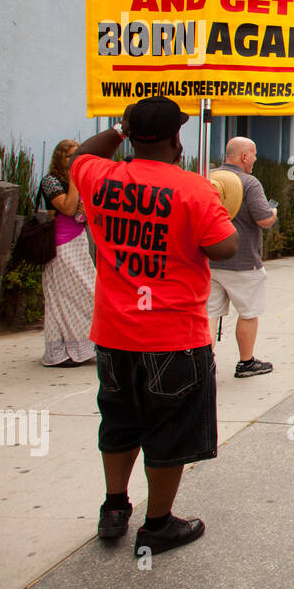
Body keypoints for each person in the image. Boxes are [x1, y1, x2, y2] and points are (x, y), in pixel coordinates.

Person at [70, 96, 238, 555]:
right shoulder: (194, 189)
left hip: (113, 332)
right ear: (176, 140)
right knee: (171, 428)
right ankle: (157, 524)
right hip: (173, 336)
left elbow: (83, 152)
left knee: (119, 420)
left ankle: (113, 507)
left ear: (131, 135)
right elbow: (224, 247)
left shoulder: (98, 176)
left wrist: (121, 130)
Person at [207, 137, 278, 378]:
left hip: (210, 257)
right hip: (243, 259)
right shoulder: (249, 183)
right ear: (244, 157)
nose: (256, 159)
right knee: (248, 313)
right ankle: (246, 362)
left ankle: (204, 363)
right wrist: (273, 213)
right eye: (254, 154)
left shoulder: (208, 177)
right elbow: (263, 219)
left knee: (209, 313)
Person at [39, 139, 95, 367]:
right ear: (60, 157)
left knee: (90, 293)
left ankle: (82, 345)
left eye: (77, 156)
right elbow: (68, 208)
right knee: (61, 296)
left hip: (79, 242)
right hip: (60, 246)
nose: (73, 160)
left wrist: (86, 207)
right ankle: (61, 351)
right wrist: (74, 180)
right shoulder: (51, 182)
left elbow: (86, 213)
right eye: (69, 156)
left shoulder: (80, 181)